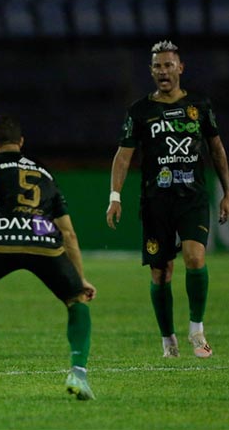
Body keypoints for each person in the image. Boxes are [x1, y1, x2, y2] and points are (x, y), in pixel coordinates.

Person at [0, 115, 97, 400]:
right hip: (44, 239)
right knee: (76, 300)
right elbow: (69, 233)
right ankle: (79, 374)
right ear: (21, 143)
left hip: (3, 238)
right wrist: (80, 277)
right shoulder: (45, 173)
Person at [106, 41, 229, 359]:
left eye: (168, 64)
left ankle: (197, 331)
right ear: (151, 71)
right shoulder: (140, 111)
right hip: (156, 200)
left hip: (193, 197)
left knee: (195, 257)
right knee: (161, 272)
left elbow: (216, 149)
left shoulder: (199, 105)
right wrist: (115, 196)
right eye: (157, 66)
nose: (163, 71)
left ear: (180, 68)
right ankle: (168, 340)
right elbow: (122, 157)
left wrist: (227, 192)